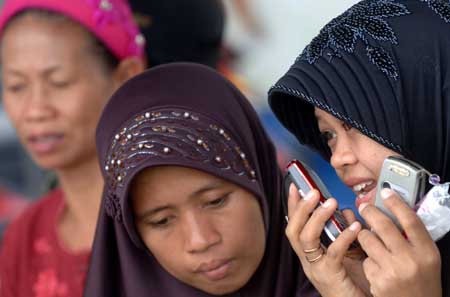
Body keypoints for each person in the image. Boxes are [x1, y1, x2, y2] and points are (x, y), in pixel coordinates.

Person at [83, 62, 318, 297]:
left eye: (215, 201)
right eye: (162, 221)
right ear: (132, 234)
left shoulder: (346, 278)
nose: (200, 240)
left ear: (260, 175)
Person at [268, 0, 449, 296]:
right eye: (328, 134)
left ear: (430, 110)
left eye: (359, 124)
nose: (338, 158)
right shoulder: (380, 270)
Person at [0, 0, 145, 296]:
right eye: (16, 86)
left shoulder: (176, 215)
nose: (35, 110)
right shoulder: (23, 239)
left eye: (59, 82)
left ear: (125, 76)